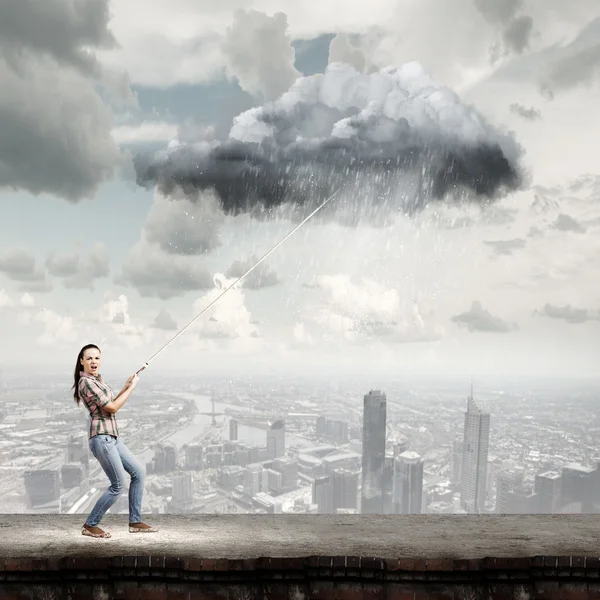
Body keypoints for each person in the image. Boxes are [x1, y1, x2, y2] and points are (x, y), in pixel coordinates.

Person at [73, 343, 158, 539]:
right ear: (82, 361)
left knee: (138, 472)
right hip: (102, 438)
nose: (94, 362)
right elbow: (112, 408)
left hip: (112, 437)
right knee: (118, 484)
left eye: (97, 358)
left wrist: (126, 386)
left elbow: (109, 404)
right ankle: (90, 524)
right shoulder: (86, 382)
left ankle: (135, 521)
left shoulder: (96, 380)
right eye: (90, 358)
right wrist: (133, 388)